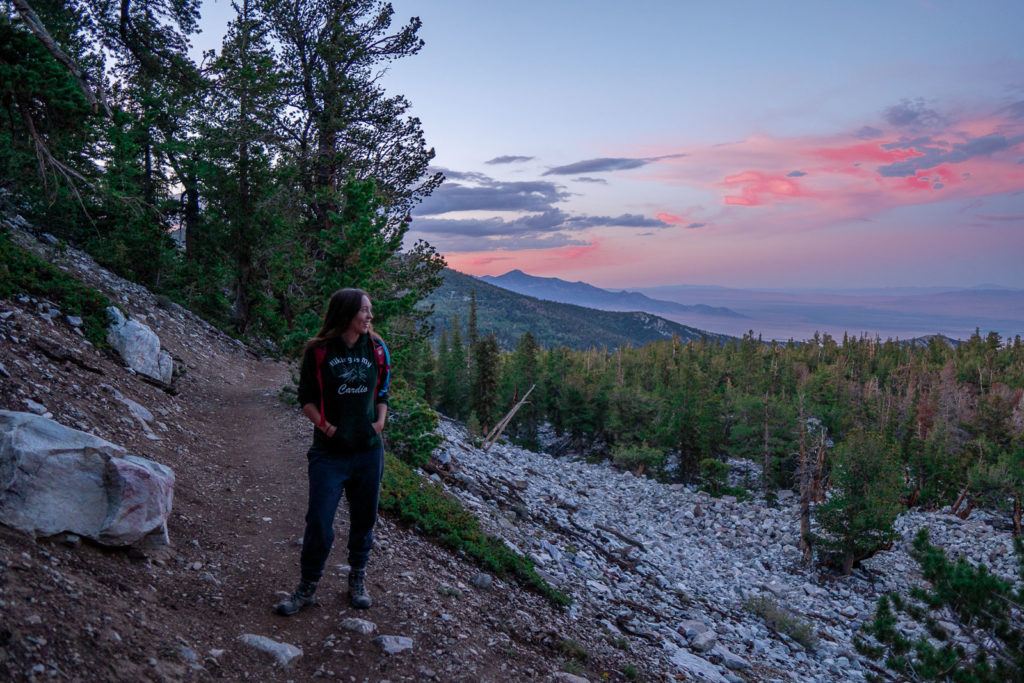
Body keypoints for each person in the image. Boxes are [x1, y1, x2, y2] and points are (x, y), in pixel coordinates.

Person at [275, 288, 391, 615]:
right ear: (346, 313)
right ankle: (307, 586)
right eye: (364, 310)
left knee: (364, 518)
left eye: (369, 310)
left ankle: (357, 579)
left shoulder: (377, 349)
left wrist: (379, 424)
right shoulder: (319, 351)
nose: (370, 316)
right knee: (319, 520)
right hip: (329, 453)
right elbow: (306, 398)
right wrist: (327, 428)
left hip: (368, 452)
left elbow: (383, 392)